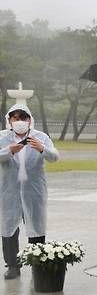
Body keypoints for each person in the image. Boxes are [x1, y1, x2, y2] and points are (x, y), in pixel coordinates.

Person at [0, 103, 59, 280]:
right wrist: (9, 151)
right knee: (8, 227)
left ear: (29, 120)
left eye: (23, 117)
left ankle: (37, 265)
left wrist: (42, 148)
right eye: (15, 118)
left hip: (34, 190)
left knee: (36, 227)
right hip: (9, 190)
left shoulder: (40, 137)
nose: (19, 121)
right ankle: (12, 265)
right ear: (9, 120)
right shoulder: (3, 137)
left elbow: (54, 157)